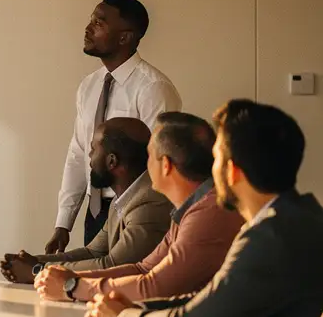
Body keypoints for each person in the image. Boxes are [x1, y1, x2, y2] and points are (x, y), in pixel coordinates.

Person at [87, 100, 323, 317]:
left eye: (214, 159)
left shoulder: (271, 238)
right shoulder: (300, 218)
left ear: (232, 171)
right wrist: (134, 310)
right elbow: (209, 300)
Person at [36, 112, 242, 302]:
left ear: (166, 165)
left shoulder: (208, 212)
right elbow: (143, 268)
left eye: (150, 155)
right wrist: (67, 277)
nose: (144, 164)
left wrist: (72, 287)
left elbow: (154, 286)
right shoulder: (192, 207)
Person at [45, 0, 181, 255]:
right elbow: (78, 153)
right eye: (91, 19)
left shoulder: (154, 88)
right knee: (91, 286)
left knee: (125, 284)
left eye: (100, 22)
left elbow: (161, 160)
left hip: (137, 211)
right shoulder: (89, 85)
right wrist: (63, 223)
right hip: (95, 211)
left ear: (124, 37)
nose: (88, 27)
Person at [1, 118, 170, 284]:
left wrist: (38, 271)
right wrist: (32, 261)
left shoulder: (150, 201)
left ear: (112, 161)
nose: (89, 156)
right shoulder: (125, 198)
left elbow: (113, 266)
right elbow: (92, 252)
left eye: (93, 149)